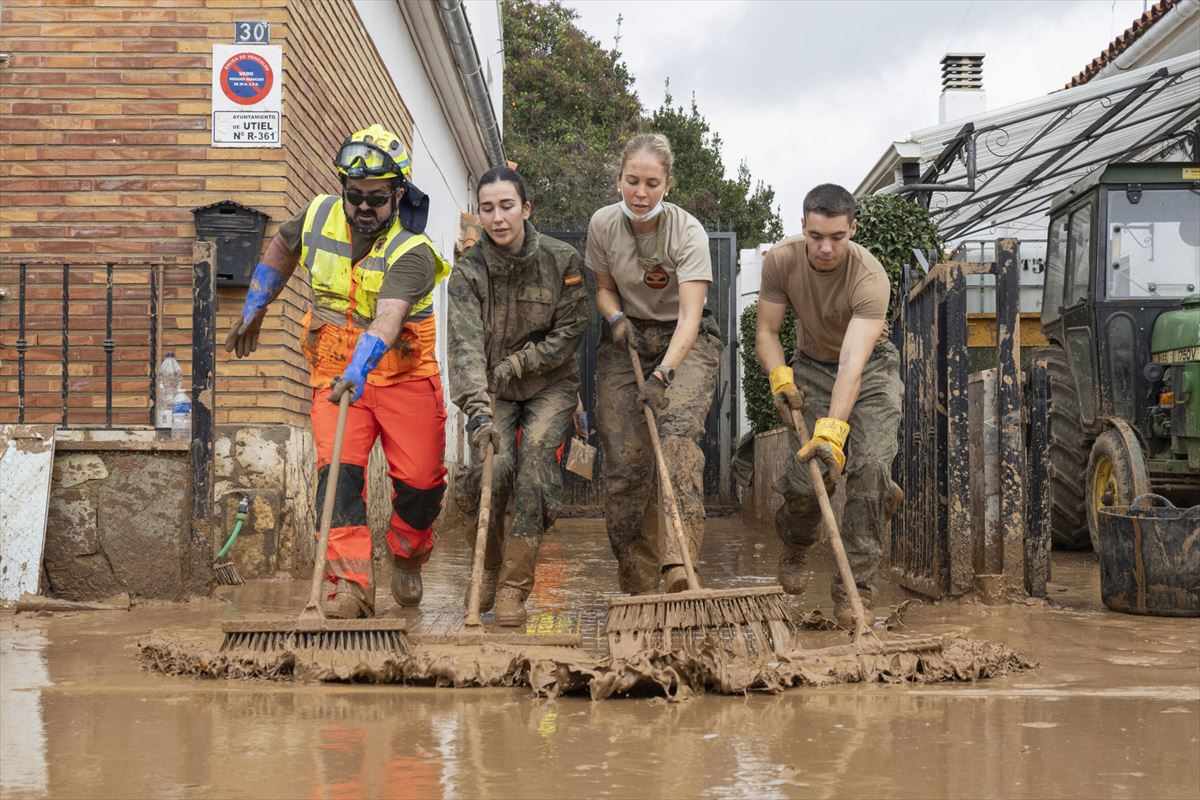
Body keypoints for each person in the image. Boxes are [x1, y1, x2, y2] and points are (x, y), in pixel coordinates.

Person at [225, 124, 452, 619]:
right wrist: (256, 307)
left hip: (402, 378)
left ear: (398, 194)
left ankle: (407, 554)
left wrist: (361, 366)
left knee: (421, 485)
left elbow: (389, 316)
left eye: (376, 198)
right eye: (355, 196)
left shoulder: (412, 251)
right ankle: (349, 587)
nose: (363, 208)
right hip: (333, 378)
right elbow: (283, 248)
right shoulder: (319, 216)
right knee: (338, 481)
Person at [755, 183, 904, 626]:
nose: (825, 248)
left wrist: (833, 432)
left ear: (852, 229)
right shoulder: (781, 261)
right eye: (816, 235)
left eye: (837, 237)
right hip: (812, 366)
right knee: (807, 479)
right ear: (802, 226)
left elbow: (853, 366)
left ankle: (855, 592)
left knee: (871, 470)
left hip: (870, 369)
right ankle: (797, 544)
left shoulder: (870, 278)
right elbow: (766, 332)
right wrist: (780, 377)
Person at [447, 166, 588, 626]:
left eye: (507, 206)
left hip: (552, 384)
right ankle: (487, 568)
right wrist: (477, 413)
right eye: (487, 209)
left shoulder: (561, 260)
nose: (498, 217)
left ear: (525, 208)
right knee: (493, 465)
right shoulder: (467, 273)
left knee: (533, 468)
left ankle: (514, 585)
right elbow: (465, 348)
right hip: (494, 389)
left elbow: (571, 332)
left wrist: (520, 362)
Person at [585, 133, 723, 595]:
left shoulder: (688, 232)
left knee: (678, 439)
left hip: (685, 341)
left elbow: (690, 314)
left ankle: (679, 568)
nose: (640, 193)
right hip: (627, 338)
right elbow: (604, 287)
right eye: (631, 181)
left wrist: (664, 373)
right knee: (625, 462)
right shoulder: (603, 224)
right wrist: (616, 317)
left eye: (651, 183)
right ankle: (639, 581)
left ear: (667, 184)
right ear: (619, 178)